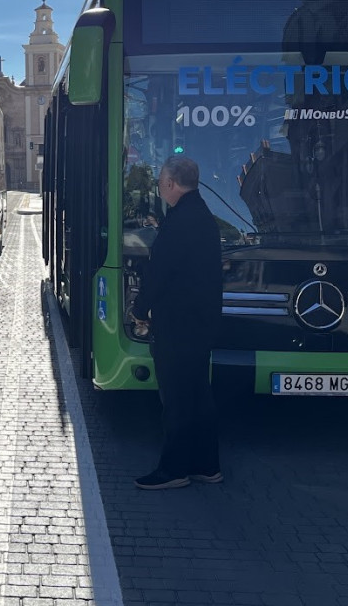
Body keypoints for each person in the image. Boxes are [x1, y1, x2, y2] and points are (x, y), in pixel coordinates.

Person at [130, 156, 223, 489]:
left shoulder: (180, 221)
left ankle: (174, 470)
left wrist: (140, 309)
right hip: (201, 323)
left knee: (177, 400)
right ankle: (206, 465)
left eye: (159, 181)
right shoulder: (201, 215)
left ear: (170, 184)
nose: (158, 186)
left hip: (179, 325)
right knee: (198, 395)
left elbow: (159, 274)